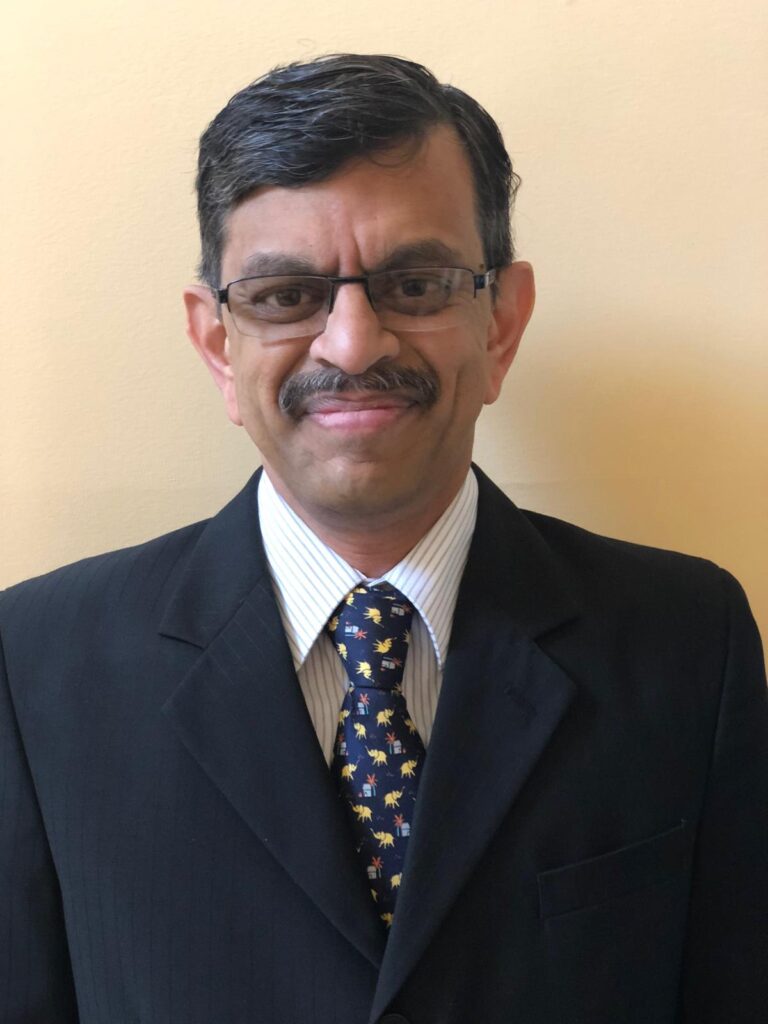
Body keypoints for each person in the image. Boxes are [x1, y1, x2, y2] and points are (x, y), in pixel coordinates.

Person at [0, 53, 765, 1024]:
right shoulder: (35, 664)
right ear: (217, 343)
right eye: (286, 294)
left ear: (501, 322)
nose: (353, 344)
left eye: (416, 284)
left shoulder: (689, 642)